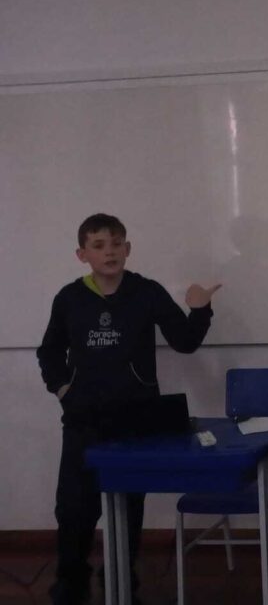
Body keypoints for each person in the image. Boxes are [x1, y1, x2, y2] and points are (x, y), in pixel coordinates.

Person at [37, 214, 221, 605]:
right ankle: (70, 582)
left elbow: (184, 341)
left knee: (128, 505)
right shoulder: (69, 298)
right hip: (84, 419)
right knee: (74, 507)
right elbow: (49, 351)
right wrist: (63, 389)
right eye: (99, 245)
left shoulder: (146, 292)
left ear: (128, 248)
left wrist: (200, 310)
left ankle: (121, 580)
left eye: (117, 244)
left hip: (136, 419)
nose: (110, 252)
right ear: (82, 254)